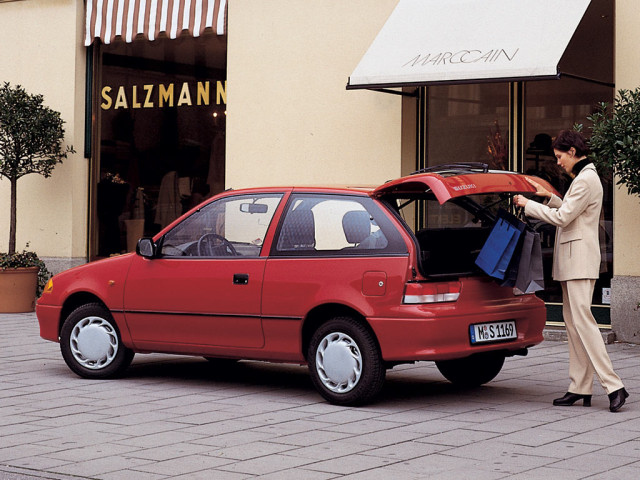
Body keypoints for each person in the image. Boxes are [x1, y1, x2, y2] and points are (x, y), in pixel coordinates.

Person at [514, 130, 628, 413]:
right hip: (574, 260)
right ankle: (579, 387)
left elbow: (564, 218)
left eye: (560, 156)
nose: (558, 162)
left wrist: (528, 205)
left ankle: (614, 386)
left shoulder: (585, 179)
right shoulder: (585, 178)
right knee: (575, 325)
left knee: (584, 324)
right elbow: (570, 210)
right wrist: (549, 197)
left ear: (573, 152)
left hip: (578, 261)